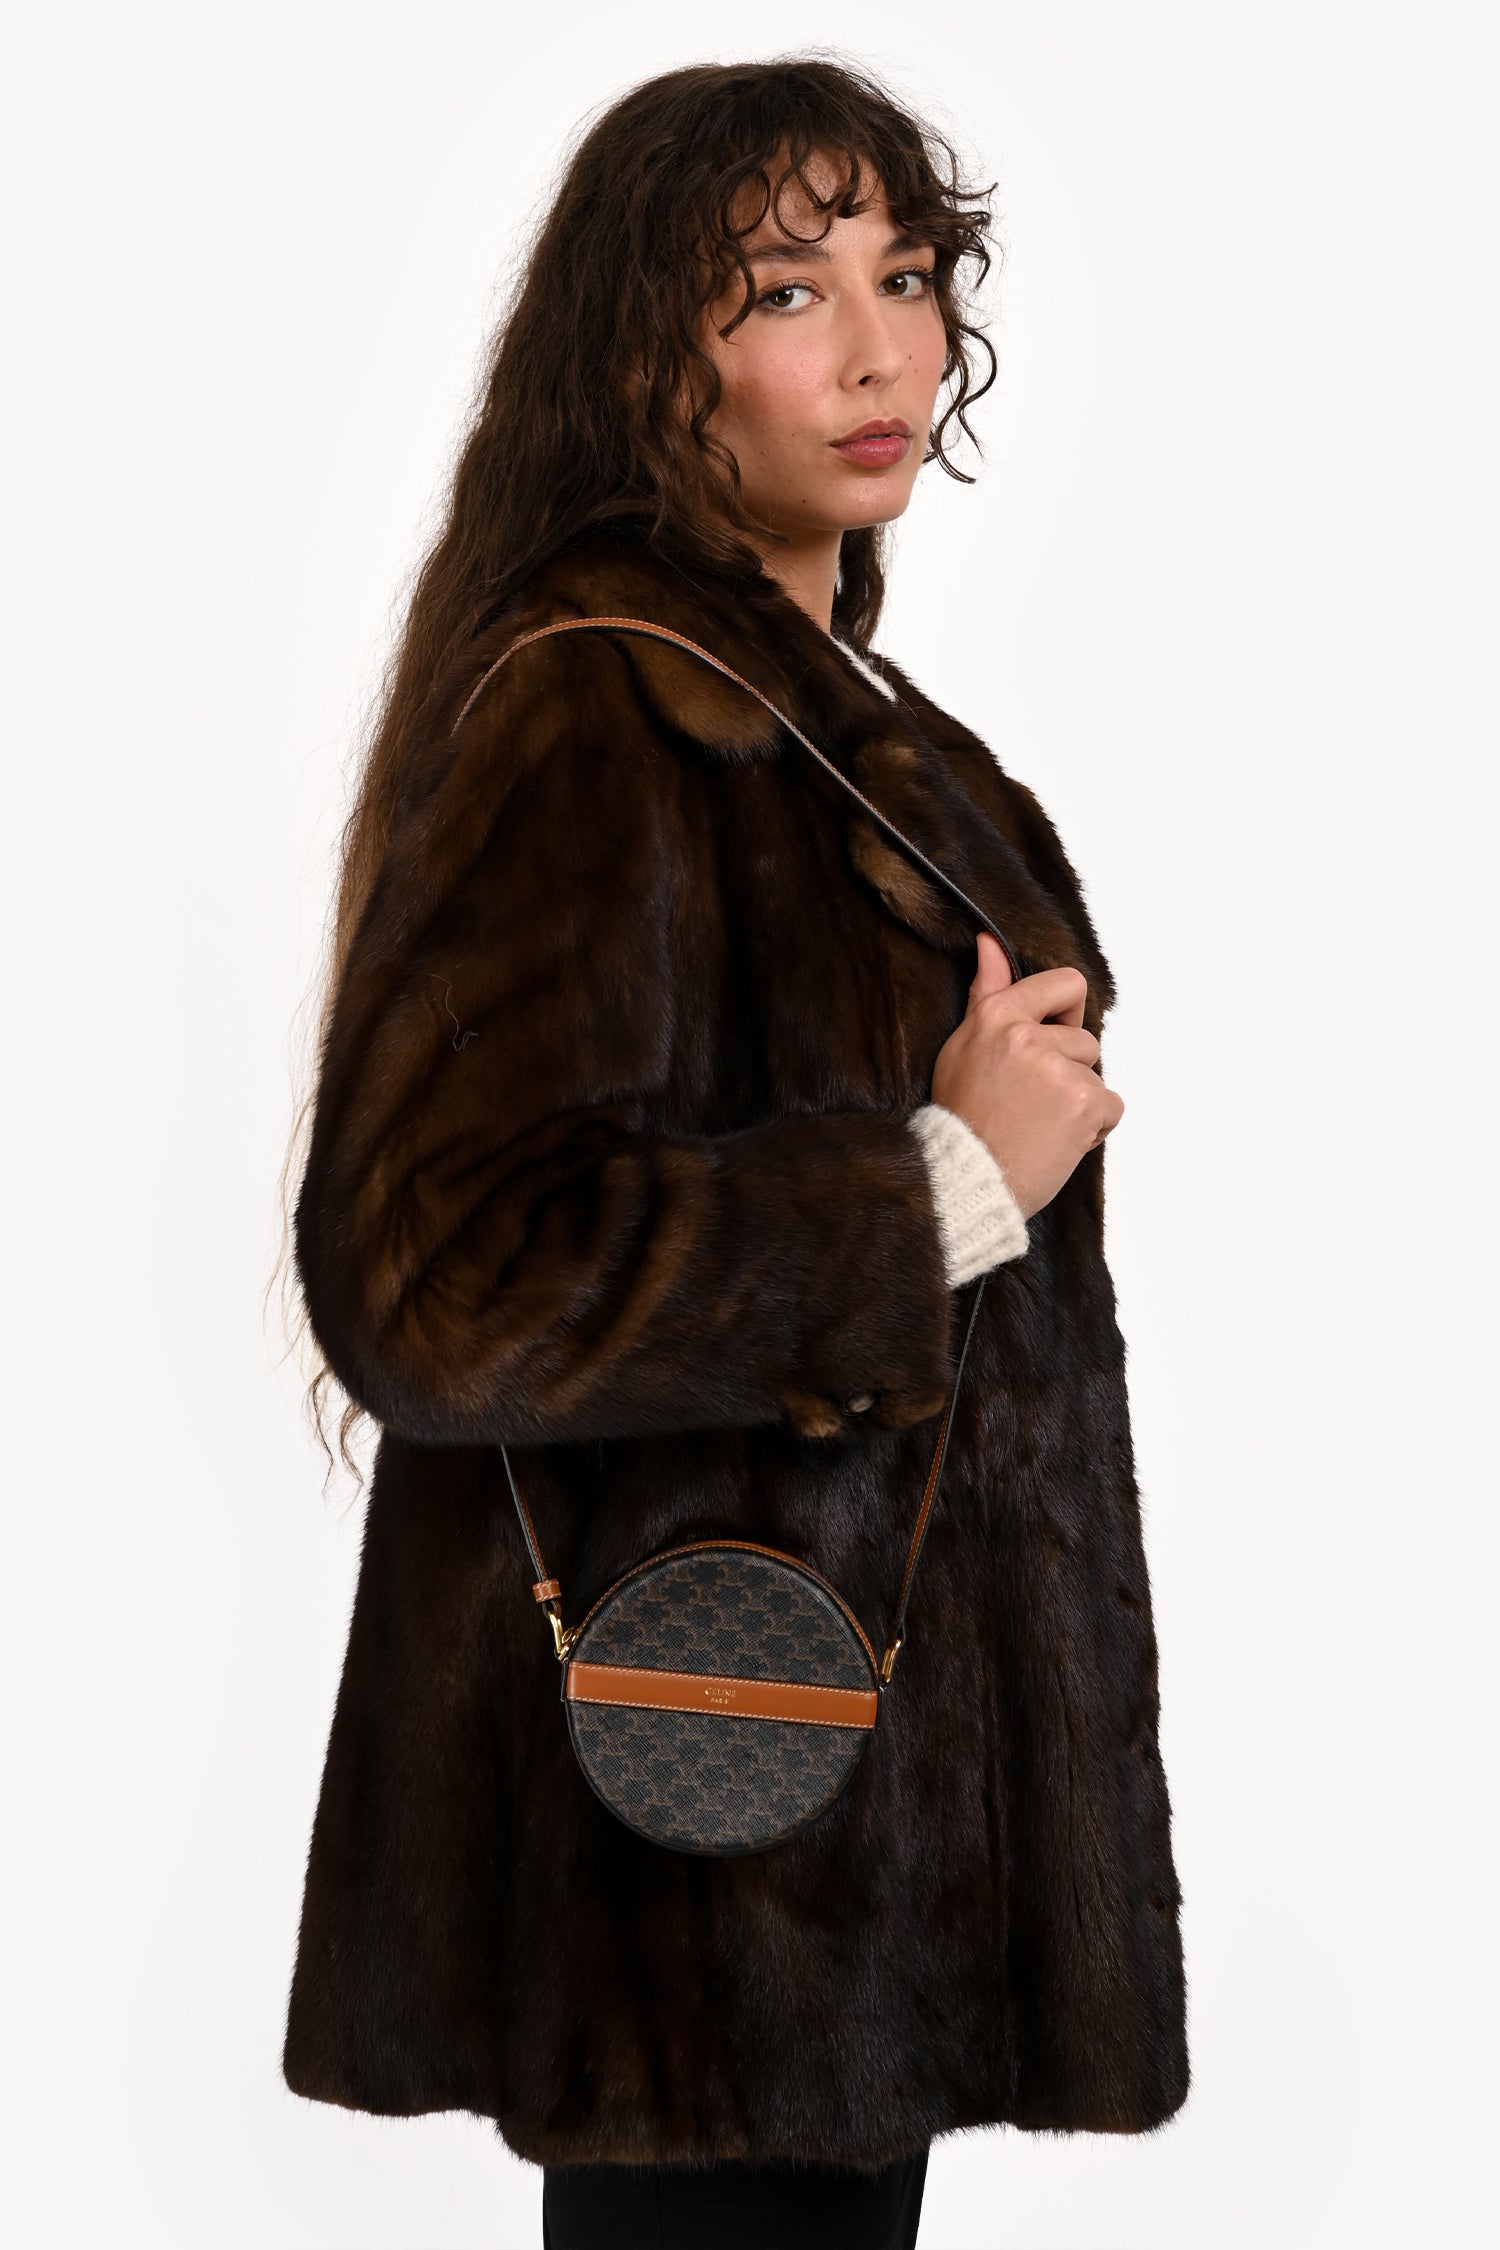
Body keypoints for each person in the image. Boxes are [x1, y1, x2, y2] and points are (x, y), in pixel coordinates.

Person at [280, 55, 1189, 2250]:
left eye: (909, 276)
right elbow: (432, 1275)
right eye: (786, 291)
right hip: (710, 1863)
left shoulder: (836, 728)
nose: (881, 350)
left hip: (838, 1842)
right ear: (637, 362)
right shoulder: (598, 704)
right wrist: (933, 1191)